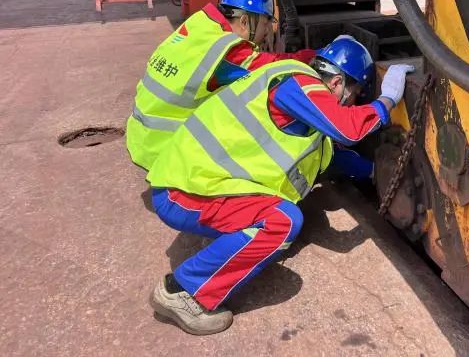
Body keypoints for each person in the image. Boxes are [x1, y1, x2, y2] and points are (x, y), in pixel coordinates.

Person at [146, 36, 414, 335]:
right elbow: (348, 129)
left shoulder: (303, 109)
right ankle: (183, 291)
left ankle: (226, 246)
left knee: (282, 220)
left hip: (197, 185)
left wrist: (375, 171)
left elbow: (332, 157)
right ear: (337, 82)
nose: (352, 104)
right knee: (281, 222)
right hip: (182, 192)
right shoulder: (296, 83)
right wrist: (387, 100)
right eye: (354, 96)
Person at [126, 0, 317, 171]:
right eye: (266, 24)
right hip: (165, 150)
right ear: (244, 21)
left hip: (141, 137)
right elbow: (275, 67)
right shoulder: (227, 51)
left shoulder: (199, 24)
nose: (268, 31)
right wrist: (314, 57)